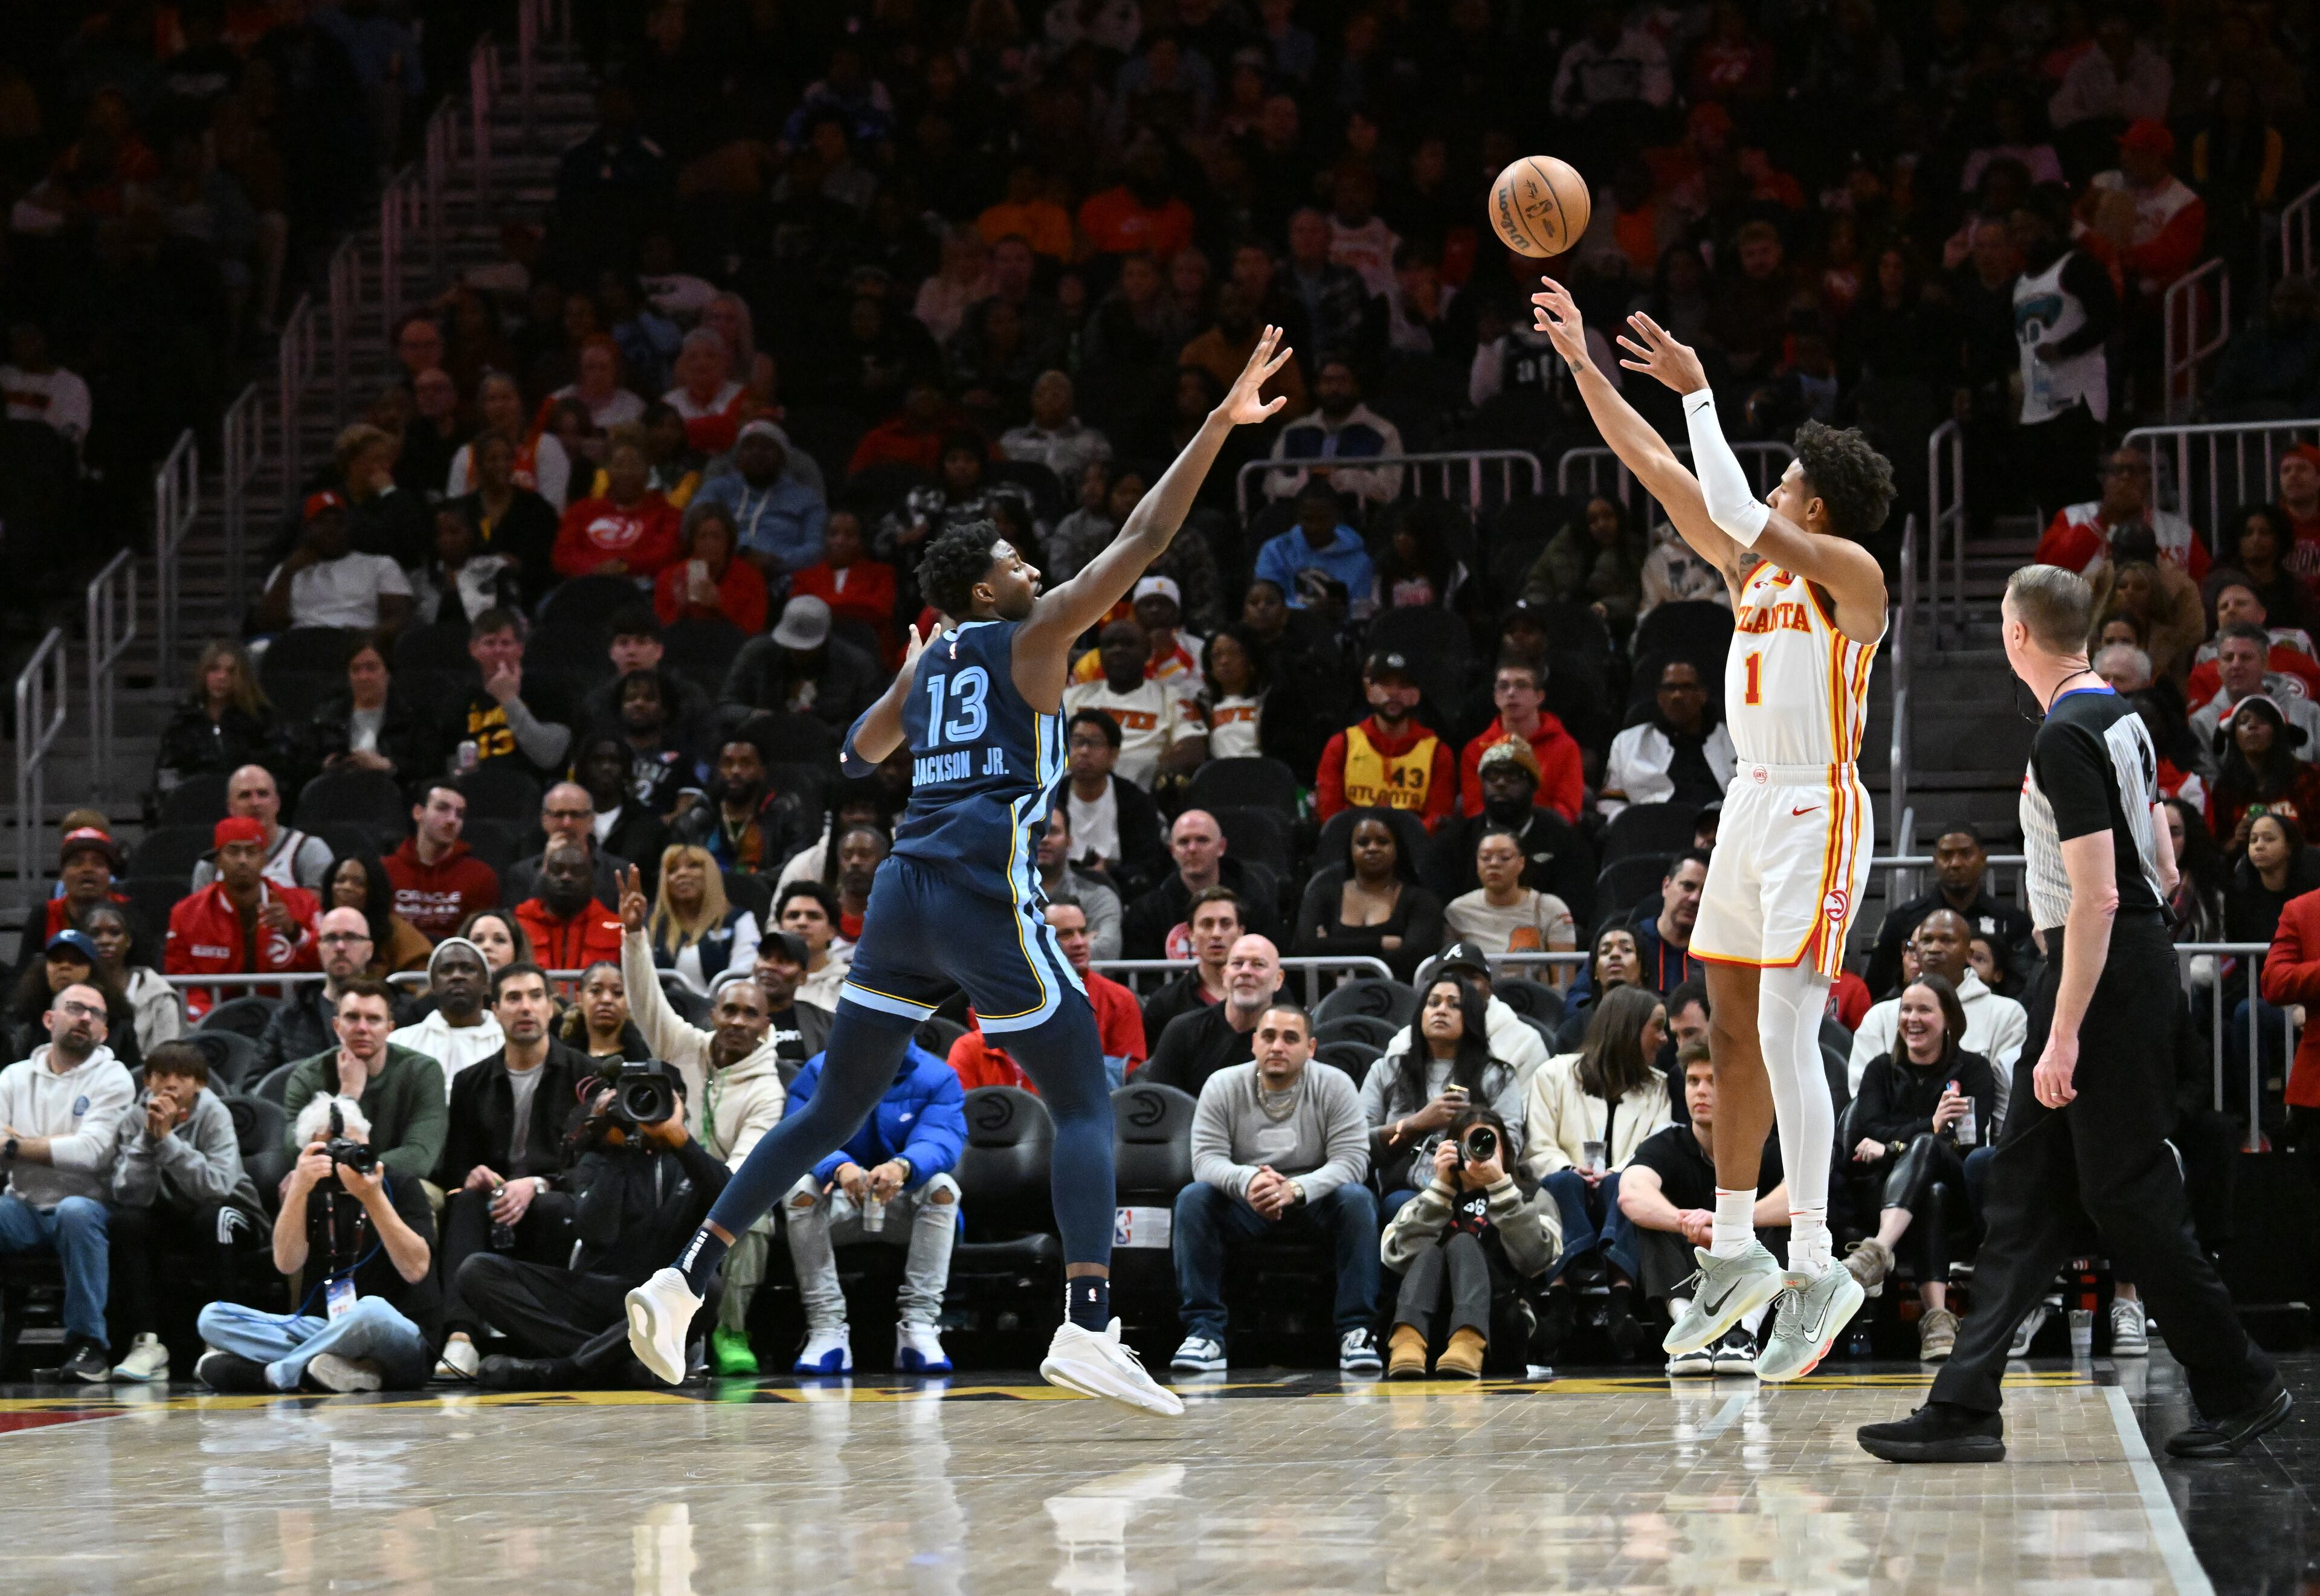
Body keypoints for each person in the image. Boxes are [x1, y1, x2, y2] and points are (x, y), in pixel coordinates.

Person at [622, 330, 1295, 1415]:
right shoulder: (1032, 636)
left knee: (830, 1104)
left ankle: (683, 1274)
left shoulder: (936, 656)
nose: (1033, 568)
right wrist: (1220, 421)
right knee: (1081, 1097)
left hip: (900, 894)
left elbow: (856, 754)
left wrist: (915, 672)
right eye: (1015, 563)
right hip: (983, 889)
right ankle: (1086, 1324)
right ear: (987, 589)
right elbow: (1146, 531)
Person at [1533, 277, 1895, 1381]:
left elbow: (1736, 505)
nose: (1770, 484)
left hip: (1819, 803)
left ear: (1815, 507)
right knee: (1726, 1034)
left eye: (1788, 475)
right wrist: (1586, 367)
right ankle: (1736, 1249)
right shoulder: (1751, 571)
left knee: (1791, 1034)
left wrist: (1700, 392)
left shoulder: (1853, 579)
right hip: (1748, 804)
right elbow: (1658, 471)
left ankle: (1822, 1257)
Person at [1858, 565, 2287, 1464]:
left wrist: (2061, 1032)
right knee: (2025, 1194)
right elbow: (2160, 863)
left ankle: (2244, 1382)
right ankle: (1966, 1402)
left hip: (2100, 972)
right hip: (2120, 962)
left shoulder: (2064, 731)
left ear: (2017, 634)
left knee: (2124, 1193)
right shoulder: (2121, 712)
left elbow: (2096, 897)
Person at [616, 869, 788, 1375]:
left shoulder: (767, 1088)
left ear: (765, 1026)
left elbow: (739, 1180)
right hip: (669, 1189)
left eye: (749, 1014)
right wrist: (633, 937)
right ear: (713, 1013)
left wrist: (685, 1143)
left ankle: (729, 1329)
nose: (737, 1020)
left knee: (753, 1215)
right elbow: (647, 1003)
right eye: (729, 1010)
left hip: (721, 1193)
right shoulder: (684, 1046)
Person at [457, 1070, 728, 1391]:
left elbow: (731, 1199)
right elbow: (597, 1232)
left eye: (661, 1097)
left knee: (707, 1285)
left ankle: (568, 1369)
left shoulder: (694, 1163)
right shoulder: (597, 1157)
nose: (646, 1107)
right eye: (634, 1097)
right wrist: (617, 1150)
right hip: (593, 1294)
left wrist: (681, 1139)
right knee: (477, 1271)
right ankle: (618, 1365)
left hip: (658, 1301)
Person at [1170, 1001, 1379, 1374]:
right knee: (1194, 1198)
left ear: (1311, 1048)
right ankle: (1205, 1334)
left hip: (1314, 1201)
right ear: (1254, 1043)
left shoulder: (1335, 1085)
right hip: (1246, 1202)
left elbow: (1352, 1163)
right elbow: (1205, 1161)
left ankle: (1357, 1331)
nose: (1277, 1046)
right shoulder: (1223, 1085)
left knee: (1357, 1200)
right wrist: (1250, 1181)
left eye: (1290, 1038)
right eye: (1268, 1037)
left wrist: (1296, 1189)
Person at [193, 1093, 439, 1394]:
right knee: (213, 1318)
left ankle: (273, 1374)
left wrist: (371, 1198)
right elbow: (287, 1263)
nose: (344, 1157)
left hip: (396, 1335)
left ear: (368, 1140)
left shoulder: (399, 1184)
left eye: (353, 1146)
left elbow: (416, 1269)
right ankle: (341, 1371)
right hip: (325, 1330)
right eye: (332, 1150)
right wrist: (298, 1190)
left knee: (369, 1310)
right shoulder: (310, 1193)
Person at [431, 963, 589, 1381]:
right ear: (494, 1010)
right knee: (465, 1203)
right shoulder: (470, 1082)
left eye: (537, 996)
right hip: (493, 1201)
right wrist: (474, 1177)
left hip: (554, 1199)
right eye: (514, 998)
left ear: (552, 1007)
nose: (526, 1007)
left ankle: (544, 1333)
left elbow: (590, 1169)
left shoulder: (584, 1076)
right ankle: (461, 1338)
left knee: (554, 1207)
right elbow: (455, 1166)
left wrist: (537, 1184)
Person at [780, 1035, 968, 1375]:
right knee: (800, 1189)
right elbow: (800, 1133)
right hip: (839, 1206)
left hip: (903, 1208)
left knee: (943, 1187)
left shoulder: (937, 1076)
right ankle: (826, 1329)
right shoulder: (819, 1070)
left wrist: (904, 1165)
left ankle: (920, 1326)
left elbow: (941, 1138)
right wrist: (838, 1167)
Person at [1839, 973, 1997, 1363]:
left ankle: (1878, 1251)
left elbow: (1967, 1145)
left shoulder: (1974, 1069)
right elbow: (1865, 1131)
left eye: (1925, 1009)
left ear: (1949, 1020)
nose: (1913, 1018)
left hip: (1958, 1186)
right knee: (1930, 1192)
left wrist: (1896, 1144)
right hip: (1891, 1195)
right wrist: (1928, 1127)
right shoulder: (1880, 1069)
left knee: (1932, 1154)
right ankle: (1937, 1320)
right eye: (1906, 1009)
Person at [1615, 1041, 1790, 1374]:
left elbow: (1802, 1197)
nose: (1701, 1091)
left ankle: (1743, 1334)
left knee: (1788, 1223)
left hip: (1750, 1267)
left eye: (1713, 1080)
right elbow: (1631, 1193)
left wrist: (1730, 1221)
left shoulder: (1766, 1144)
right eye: (1693, 1081)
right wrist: (1683, 1221)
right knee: (1650, 1221)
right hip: (1692, 1267)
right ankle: (1689, 1333)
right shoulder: (1668, 1143)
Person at [1522, 985, 1674, 1359]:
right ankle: (1560, 1305)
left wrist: (1616, 1173)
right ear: (1628, 1028)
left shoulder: (1660, 1088)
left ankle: (1620, 1306)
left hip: (1620, 1194)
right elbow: (1536, 1147)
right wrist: (1570, 1169)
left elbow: (1656, 1150)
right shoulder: (1553, 1074)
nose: (1664, 1037)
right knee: (1562, 1182)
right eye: (1657, 1027)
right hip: (1563, 1193)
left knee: (1626, 1185)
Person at [106, 1041, 266, 1381]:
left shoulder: (214, 1114)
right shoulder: (136, 1118)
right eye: (162, 1075)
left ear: (200, 1084)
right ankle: (147, 1344)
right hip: (171, 1216)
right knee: (126, 1222)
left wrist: (168, 1143)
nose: (171, 1084)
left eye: (183, 1076)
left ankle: (223, 1343)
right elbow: (129, 1194)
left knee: (214, 1218)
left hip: (233, 1213)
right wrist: (148, 1141)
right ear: (148, 1081)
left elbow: (217, 1187)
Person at [0, 981, 135, 1381]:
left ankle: (87, 1346)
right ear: (49, 1019)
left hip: (88, 1206)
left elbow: (92, 1153)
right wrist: (48, 1149)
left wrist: (14, 1146)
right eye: (75, 1008)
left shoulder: (113, 1077)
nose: (85, 1018)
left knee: (76, 1213)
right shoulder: (13, 1077)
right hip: (21, 1207)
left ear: (105, 1032)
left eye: (95, 1014)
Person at [1381, 1104, 1562, 1379]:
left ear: (1506, 1151)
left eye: (1489, 1143)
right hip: (1432, 1330)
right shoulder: (1429, 1199)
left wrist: (1501, 1189)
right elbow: (1397, 1257)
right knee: (1429, 1253)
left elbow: (1535, 1260)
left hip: (1500, 1328)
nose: (1479, 1152)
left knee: (1463, 1244)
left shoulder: (1530, 1197)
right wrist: (1440, 1190)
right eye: (1469, 1144)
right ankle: (1408, 1340)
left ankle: (1469, 1339)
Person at [1365, 977, 1531, 1214]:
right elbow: (1359, 1143)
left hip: (1477, 1187)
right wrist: (1415, 1124)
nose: (1441, 1010)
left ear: (1471, 1016)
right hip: (1407, 1190)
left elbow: (1512, 1142)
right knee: (1399, 1205)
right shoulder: (1387, 1070)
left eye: (1454, 1005)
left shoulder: (1497, 1075)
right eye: (1433, 1003)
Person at [1848, 910, 2029, 1124]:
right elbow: (1864, 1098)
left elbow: (2007, 1100)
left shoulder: (2007, 1014)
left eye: (1947, 940)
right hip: (1888, 1145)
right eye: (1926, 940)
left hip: (1971, 1146)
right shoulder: (1879, 1017)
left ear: (1968, 952)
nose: (1934, 948)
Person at [280, 979, 450, 1182]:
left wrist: (352, 1169)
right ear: (337, 1026)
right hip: (327, 1187)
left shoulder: (423, 1071)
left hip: (399, 1184)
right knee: (294, 1190)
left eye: (373, 1019)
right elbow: (298, 1152)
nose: (362, 1028)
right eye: (352, 1017)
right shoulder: (307, 1076)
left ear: (390, 1028)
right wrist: (347, 1096)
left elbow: (419, 1158)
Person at [166, 817, 321, 1019]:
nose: (242, 860)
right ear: (218, 859)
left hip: (292, 1020)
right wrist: (212, 1019)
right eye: (233, 851)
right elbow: (183, 981)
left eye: (251, 851)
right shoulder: (186, 913)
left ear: (265, 859)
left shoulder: (303, 904)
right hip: (213, 1022)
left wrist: (295, 933)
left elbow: (326, 962)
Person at [1864, 824, 2035, 997]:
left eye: (1966, 854)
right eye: (1946, 855)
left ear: (1983, 858)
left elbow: (2024, 986)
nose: (1955, 863)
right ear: (1935, 860)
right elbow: (1878, 987)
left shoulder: (2012, 921)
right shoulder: (1902, 920)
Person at [1291, 811, 1446, 983]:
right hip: (1327, 1000)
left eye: (1383, 842)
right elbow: (1306, 947)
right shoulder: (1322, 896)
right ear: (1350, 849)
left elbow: (1414, 956)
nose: (1372, 848)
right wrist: (1381, 943)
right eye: (1363, 843)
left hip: (1400, 998)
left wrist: (1339, 965)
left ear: (1397, 849)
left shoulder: (1422, 901)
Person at [1314, 651, 1458, 830]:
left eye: (1404, 685)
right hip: (1352, 849)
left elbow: (1439, 817)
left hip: (1415, 851)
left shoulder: (1438, 752)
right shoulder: (1341, 746)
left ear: (1417, 695)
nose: (1394, 693)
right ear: (1369, 692)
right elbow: (1330, 817)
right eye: (1385, 684)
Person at [1061, 620, 1206, 790]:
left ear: (1147, 653)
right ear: (1100, 655)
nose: (1118, 650)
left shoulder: (1171, 697)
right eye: (1110, 645)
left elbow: (1193, 746)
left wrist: (1167, 768)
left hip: (1144, 796)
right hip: (1074, 793)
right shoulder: (1072, 696)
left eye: (1128, 644)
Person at [251, 490, 416, 635]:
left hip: (357, 643)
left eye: (339, 523)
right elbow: (268, 624)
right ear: (306, 528)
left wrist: (371, 635)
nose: (331, 530)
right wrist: (287, 573)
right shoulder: (287, 570)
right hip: (303, 646)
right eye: (321, 522)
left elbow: (400, 619)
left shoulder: (380, 565)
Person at [718, 595, 888, 735]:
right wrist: (755, 716)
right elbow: (725, 707)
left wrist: (822, 732)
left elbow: (871, 722)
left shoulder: (857, 665)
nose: (798, 652)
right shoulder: (756, 653)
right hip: (765, 743)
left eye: (807, 648)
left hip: (830, 750)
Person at [1123, 809, 1280, 958]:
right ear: (1172, 851)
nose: (1192, 849)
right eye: (1184, 842)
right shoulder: (1146, 913)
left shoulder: (1254, 909)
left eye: (1202, 840)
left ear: (1221, 847)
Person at [254, 906, 392, 1074]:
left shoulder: (398, 1011)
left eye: (351, 937)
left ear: (369, 950)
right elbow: (255, 1088)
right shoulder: (288, 1019)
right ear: (319, 949)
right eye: (331, 938)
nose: (340, 946)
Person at [1599, 661, 1738, 817]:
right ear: (1659, 697)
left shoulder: (1737, 741)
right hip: (1653, 832)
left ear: (1702, 695)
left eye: (1687, 687)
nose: (1677, 695)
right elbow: (1610, 803)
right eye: (1670, 688)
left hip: (1720, 829)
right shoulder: (1627, 743)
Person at [693, 419, 828, 580]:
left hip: (781, 578)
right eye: (749, 447)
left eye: (766, 447)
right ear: (739, 455)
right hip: (717, 571)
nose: (756, 453)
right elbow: (693, 526)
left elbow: (817, 548)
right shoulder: (718, 488)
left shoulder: (807, 499)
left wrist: (775, 562)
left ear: (782, 456)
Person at [1061, 709, 1169, 899]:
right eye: (1077, 742)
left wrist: (1110, 875)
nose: (1084, 751)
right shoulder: (1050, 798)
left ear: (1113, 755)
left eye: (1095, 743)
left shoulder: (1136, 801)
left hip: (1120, 890)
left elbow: (1148, 864)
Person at [1461, 661, 1584, 823]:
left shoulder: (1566, 747)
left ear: (1539, 696)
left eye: (1522, 685)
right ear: (1496, 698)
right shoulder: (1475, 750)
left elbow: (1567, 810)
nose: (1511, 693)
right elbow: (1475, 811)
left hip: (1549, 836)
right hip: (1492, 839)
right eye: (1504, 686)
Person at [1446, 829, 1577, 975]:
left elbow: (1564, 983)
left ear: (1521, 863)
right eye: (1486, 858)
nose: (1494, 864)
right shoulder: (1457, 911)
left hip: (1533, 995)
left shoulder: (1551, 908)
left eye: (1505, 858)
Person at [384, 781, 503, 941]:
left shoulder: (480, 876)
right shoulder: (385, 870)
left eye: (459, 814)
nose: (452, 820)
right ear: (418, 813)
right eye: (442, 808)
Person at [156, 639, 278, 794]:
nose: (222, 677)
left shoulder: (260, 720)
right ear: (203, 673)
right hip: (199, 805)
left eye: (231, 671)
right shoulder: (183, 722)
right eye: (214, 669)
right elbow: (167, 778)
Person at [188, 764, 333, 893]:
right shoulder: (209, 866)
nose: (255, 803)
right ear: (230, 807)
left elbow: (317, 915)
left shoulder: (309, 850)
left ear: (277, 803)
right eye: (245, 795)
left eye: (262, 794)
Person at [392, 938, 507, 1095]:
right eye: (446, 970)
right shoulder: (400, 1043)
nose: (457, 976)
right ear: (432, 984)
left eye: (468, 969)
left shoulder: (508, 1042)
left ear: (486, 983)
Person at [2208, 695, 2320, 852]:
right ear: (2234, 736)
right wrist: (2237, 841)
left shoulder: (2308, 777)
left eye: (2262, 721)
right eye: (2244, 721)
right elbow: (2216, 853)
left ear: (2278, 731)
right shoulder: (2225, 789)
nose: (2252, 726)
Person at [648, 844, 761, 995]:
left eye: (693, 866)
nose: (682, 873)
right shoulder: (652, 923)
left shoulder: (740, 920)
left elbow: (744, 975)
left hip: (721, 1011)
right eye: (673, 869)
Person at [504, 783, 633, 914]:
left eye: (575, 815)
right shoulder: (520, 874)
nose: (567, 824)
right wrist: (547, 867)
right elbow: (521, 923)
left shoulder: (619, 872)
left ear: (591, 820)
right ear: (544, 820)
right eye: (559, 815)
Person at [1254, 479, 1379, 614]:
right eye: (1308, 519)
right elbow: (1266, 602)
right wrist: (1308, 611)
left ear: (1337, 518)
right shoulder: (1275, 550)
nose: (1316, 528)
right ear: (1297, 518)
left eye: (1324, 519)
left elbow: (1359, 611)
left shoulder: (1361, 561)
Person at [81, 904, 178, 1061]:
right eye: (95, 934)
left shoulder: (158, 993)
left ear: (129, 941)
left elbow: (167, 1056)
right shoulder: (72, 990)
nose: (105, 940)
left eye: (115, 933)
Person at [515, 842, 628, 973]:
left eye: (577, 871)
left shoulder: (614, 928)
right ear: (543, 877)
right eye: (557, 870)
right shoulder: (519, 924)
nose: (566, 877)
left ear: (592, 880)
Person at [1036, 808, 1123, 962]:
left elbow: (1108, 950)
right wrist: (1080, 944)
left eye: (1053, 831)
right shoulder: (1005, 895)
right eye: (1036, 831)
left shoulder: (1100, 896)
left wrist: (1031, 948)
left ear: (1069, 841)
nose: (1044, 839)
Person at [775, 882, 853, 1009]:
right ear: (780, 928)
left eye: (814, 916)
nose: (802, 923)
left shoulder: (850, 987)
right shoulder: (758, 983)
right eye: (793, 916)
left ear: (832, 931)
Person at [561, 960, 653, 1063]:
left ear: (629, 1002)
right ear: (580, 999)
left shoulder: (646, 1060)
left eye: (618, 993)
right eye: (596, 991)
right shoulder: (565, 1061)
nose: (607, 999)